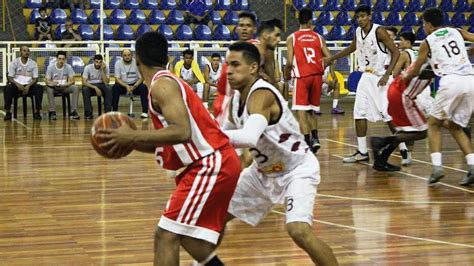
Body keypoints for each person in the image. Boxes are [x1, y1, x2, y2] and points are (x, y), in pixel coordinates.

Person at [95, 32, 241, 266]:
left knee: (165, 235)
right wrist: (130, 142)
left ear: (138, 60)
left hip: (211, 164)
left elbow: (181, 131)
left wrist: (132, 134)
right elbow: (167, 140)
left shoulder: (161, 85)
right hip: (214, 162)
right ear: (166, 58)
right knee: (191, 240)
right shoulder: (165, 81)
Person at [217, 41, 338, 265]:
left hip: (296, 169)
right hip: (263, 172)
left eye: (235, 65)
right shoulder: (235, 101)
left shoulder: (262, 94)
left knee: (298, 231)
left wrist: (205, 137)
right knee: (214, 217)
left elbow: (248, 137)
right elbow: (229, 142)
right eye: (227, 65)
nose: (229, 70)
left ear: (253, 67)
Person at [324, 5, 403, 170]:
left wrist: (387, 74)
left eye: (363, 16)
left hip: (380, 77)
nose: (360, 19)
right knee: (359, 112)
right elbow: (352, 48)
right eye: (358, 17)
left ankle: (403, 148)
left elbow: (396, 52)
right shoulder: (358, 33)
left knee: (388, 115)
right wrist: (333, 58)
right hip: (365, 77)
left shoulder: (379, 31)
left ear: (370, 16)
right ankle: (362, 151)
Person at [403, 7, 474, 185]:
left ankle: (437, 168)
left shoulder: (427, 41)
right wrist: (472, 49)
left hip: (451, 81)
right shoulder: (456, 31)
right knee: (455, 126)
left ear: (427, 24)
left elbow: (417, 67)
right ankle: (472, 166)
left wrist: (406, 77)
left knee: (433, 125)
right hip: (470, 80)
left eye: (423, 24)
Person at [370, 31, 434, 171]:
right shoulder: (421, 56)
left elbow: (396, 72)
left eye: (402, 40)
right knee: (424, 130)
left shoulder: (412, 55)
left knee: (408, 129)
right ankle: (385, 143)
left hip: (404, 91)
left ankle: (383, 158)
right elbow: (400, 72)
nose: (399, 42)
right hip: (409, 94)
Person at [284, 7, 332, 153]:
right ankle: (315, 138)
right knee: (311, 110)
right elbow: (329, 58)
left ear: (298, 20)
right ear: (311, 20)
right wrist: (319, 66)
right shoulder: (318, 37)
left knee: (301, 111)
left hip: (302, 78)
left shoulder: (292, 37)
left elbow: (290, 62)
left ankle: (305, 142)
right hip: (317, 77)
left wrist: (286, 74)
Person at [3, 46, 43, 121]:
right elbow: (10, 77)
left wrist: (28, 86)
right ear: (20, 52)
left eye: (28, 51)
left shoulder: (33, 63)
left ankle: (37, 112)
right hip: (16, 86)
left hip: (29, 86)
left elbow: (35, 78)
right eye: (24, 51)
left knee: (39, 88)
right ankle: (8, 112)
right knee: (7, 88)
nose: (26, 52)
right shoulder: (14, 62)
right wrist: (17, 84)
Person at [112, 49, 149, 118]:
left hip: (135, 84)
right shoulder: (118, 64)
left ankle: (145, 112)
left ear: (132, 55)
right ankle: (114, 111)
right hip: (123, 84)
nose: (127, 57)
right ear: (122, 56)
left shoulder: (137, 63)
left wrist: (134, 86)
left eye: (129, 55)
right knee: (115, 88)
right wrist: (126, 86)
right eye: (125, 55)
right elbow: (117, 79)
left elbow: (142, 77)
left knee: (143, 87)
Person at [45, 50, 80, 120]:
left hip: (64, 87)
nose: (61, 61)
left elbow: (72, 81)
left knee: (75, 88)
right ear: (56, 59)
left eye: (63, 59)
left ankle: (73, 112)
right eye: (59, 59)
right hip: (54, 88)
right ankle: (52, 112)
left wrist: (65, 84)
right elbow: (47, 81)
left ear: (65, 59)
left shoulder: (68, 67)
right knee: (49, 89)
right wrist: (52, 83)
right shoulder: (50, 67)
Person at [82, 54, 112, 119]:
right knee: (85, 89)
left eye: (100, 62)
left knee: (109, 88)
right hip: (91, 85)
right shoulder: (88, 67)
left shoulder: (105, 67)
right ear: (93, 61)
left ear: (102, 62)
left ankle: (107, 113)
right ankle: (88, 114)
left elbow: (106, 82)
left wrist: (102, 70)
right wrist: (95, 87)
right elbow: (84, 82)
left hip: (102, 84)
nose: (98, 64)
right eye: (96, 62)